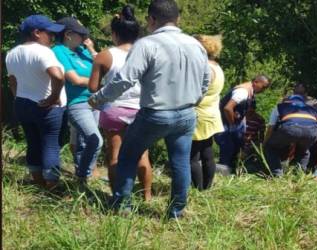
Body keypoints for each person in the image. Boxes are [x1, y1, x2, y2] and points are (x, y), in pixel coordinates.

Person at [89, 0, 210, 218]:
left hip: (155, 114)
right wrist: (194, 100)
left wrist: (98, 99)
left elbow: (124, 80)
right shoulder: (196, 45)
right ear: (178, 19)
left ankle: (122, 208)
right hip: (186, 114)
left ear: (151, 19)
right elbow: (205, 80)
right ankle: (176, 212)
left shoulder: (146, 44)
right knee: (180, 162)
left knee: (127, 157)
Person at [88, 6, 152, 201]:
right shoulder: (148, 53)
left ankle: (118, 197)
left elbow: (92, 87)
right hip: (142, 109)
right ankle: (147, 196)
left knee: (115, 154)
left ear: (115, 34)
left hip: (113, 109)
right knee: (142, 156)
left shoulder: (105, 55)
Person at [5, 15, 66, 189]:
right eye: (49, 33)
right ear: (37, 33)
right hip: (45, 106)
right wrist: (54, 97)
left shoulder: (12, 53)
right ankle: (52, 187)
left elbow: (12, 82)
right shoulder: (43, 51)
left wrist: (18, 97)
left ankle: (38, 182)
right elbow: (58, 76)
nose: (52, 37)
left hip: (23, 104)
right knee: (50, 144)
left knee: (33, 142)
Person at [52, 17, 102, 183]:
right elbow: (75, 79)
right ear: (68, 34)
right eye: (81, 35)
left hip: (95, 101)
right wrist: (101, 84)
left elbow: (104, 68)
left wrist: (92, 50)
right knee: (96, 140)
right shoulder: (59, 51)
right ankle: (83, 175)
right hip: (78, 103)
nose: (84, 38)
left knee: (84, 142)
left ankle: (82, 178)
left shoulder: (83, 50)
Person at [189, 34, 225, 191]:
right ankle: (206, 188)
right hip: (211, 114)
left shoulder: (205, 69)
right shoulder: (217, 67)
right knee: (207, 153)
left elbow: (195, 93)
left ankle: (198, 188)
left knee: (192, 157)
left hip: (199, 115)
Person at [215, 74, 271, 174]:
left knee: (234, 150)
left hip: (230, 124)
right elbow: (228, 108)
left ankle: (230, 173)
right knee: (228, 149)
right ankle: (223, 174)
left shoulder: (248, 92)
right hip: (225, 125)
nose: (264, 90)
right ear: (256, 82)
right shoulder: (243, 92)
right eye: (263, 87)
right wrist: (232, 125)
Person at [264, 94, 317, 177]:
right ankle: (299, 175)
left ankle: (277, 174)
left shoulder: (281, 106)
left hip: (291, 129)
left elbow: (271, 127)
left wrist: (266, 142)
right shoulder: (310, 108)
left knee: (270, 147)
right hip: (313, 131)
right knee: (304, 151)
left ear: (288, 100)